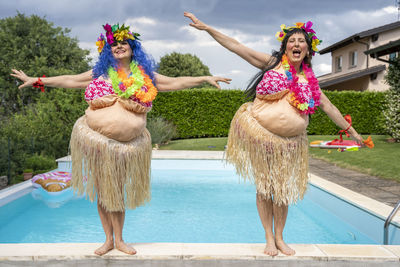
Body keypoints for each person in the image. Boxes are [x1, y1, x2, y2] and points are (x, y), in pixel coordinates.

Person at [11, 23, 231, 256]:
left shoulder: (145, 76)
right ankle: (108, 240)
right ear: (108, 50)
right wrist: (36, 80)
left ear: (132, 47)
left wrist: (205, 78)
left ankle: (120, 240)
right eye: (113, 44)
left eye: (123, 43)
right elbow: (70, 80)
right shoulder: (100, 73)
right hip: (96, 140)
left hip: (125, 145)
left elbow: (175, 82)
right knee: (101, 189)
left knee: (115, 189)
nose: (118, 47)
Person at [184, 13, 364, 256]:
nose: (297, 44)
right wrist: (207, 28)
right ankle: (268, 237)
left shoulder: (310, 82)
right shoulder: (271, 64)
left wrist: (351, 131)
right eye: (292, 41)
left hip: (290, 143)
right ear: (285, 46)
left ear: (308, 51)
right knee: (264, 188)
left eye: (302, 41)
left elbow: (329, 108)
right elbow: (238, 47)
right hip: (261, 135)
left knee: (282, 190)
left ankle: (280, 237)